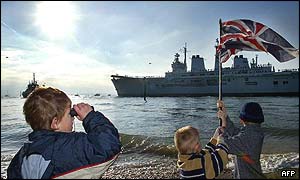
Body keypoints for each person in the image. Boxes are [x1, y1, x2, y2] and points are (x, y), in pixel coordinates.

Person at [7, 87, 122, 179]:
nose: (73, 118)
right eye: (70, 114)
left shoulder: (20, 157)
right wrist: (90, 117)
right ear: (55, 123)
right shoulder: (66, 147)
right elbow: (109, 144)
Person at [217, 100, 265, 179]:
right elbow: (234, 133)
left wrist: (222, 133)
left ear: (242, 119)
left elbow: (225, 145)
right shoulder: (253, 131)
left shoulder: (249, 136)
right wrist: (225, 116)